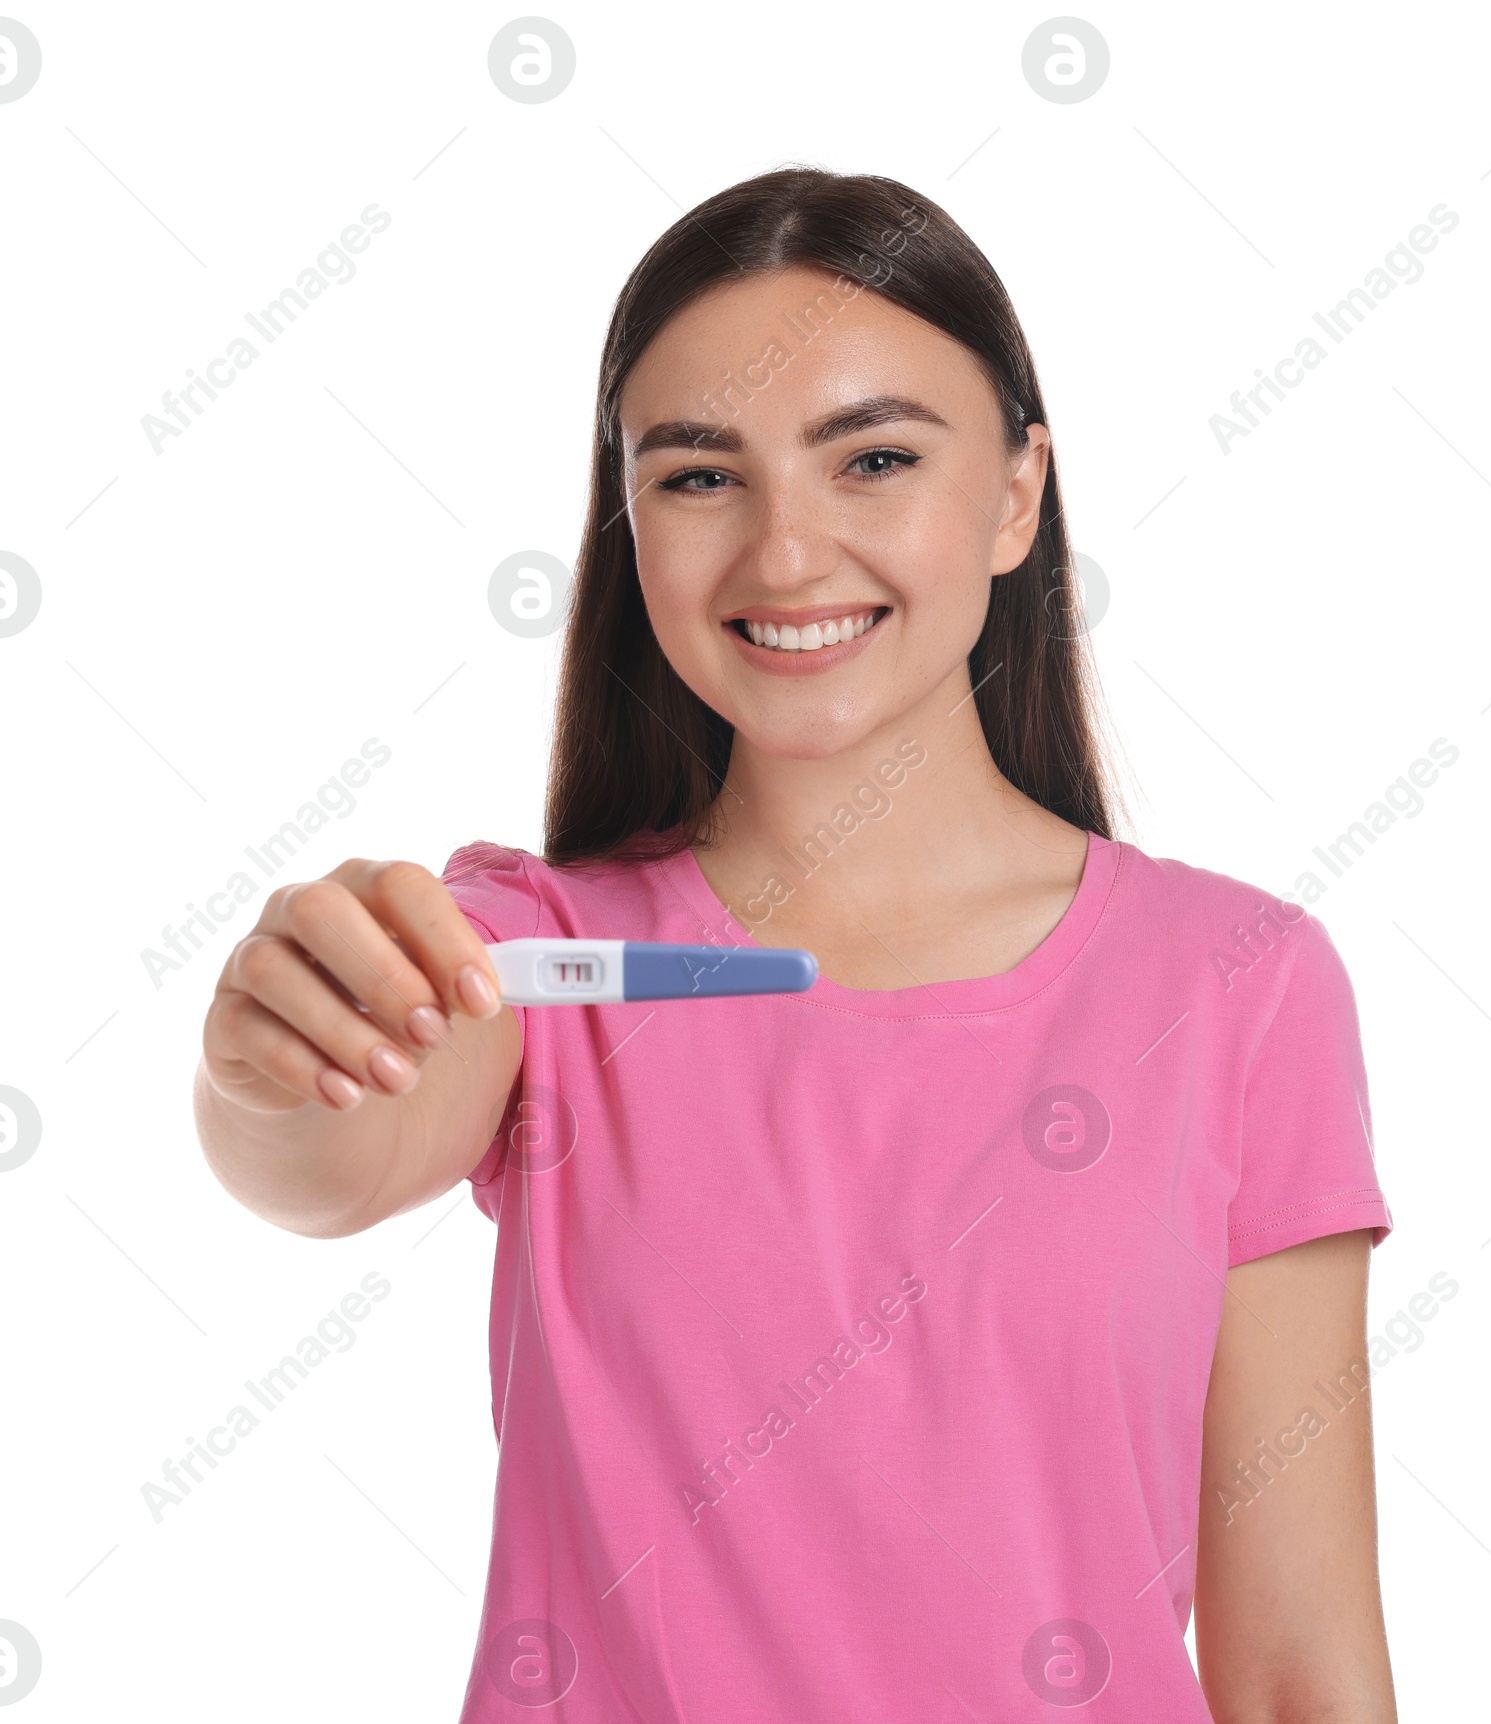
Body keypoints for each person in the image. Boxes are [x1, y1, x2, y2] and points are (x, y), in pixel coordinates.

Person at [194, 167, 1399, 1723]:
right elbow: (325, 1154)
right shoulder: (542, 954)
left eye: (875, 459)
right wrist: (271, 1061)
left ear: (1021, 491)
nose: (785, 556)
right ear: (630, 523)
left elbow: (1303, 1667)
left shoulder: (1241, 986)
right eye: (701, 478)